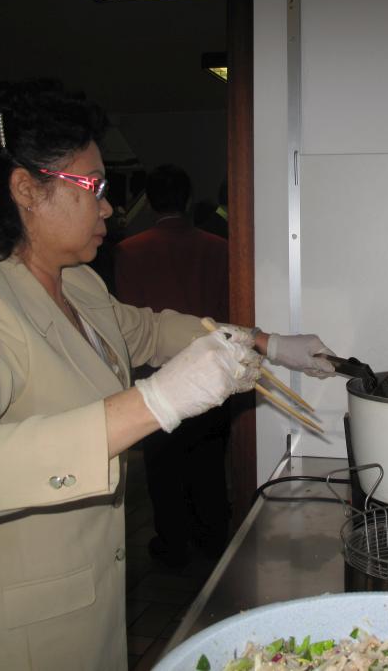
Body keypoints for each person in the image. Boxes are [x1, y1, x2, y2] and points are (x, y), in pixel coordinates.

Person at [0, 78, 335, 671]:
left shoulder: (77, 285)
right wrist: (155, 401)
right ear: (26, 189)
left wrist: (269, 344)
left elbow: (151, 331)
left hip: (83, 611)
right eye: (93, 187)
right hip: (0, 638)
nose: (107, 207)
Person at [114, 163, 231, 564]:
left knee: (164, 468)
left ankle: (173, 544)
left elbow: (130, 319)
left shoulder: (130, 250)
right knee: (209, 464)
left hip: (158, 376)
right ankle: (213, 540)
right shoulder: (218, 247)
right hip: (213, 370)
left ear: (149, 202)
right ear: (187, 198)